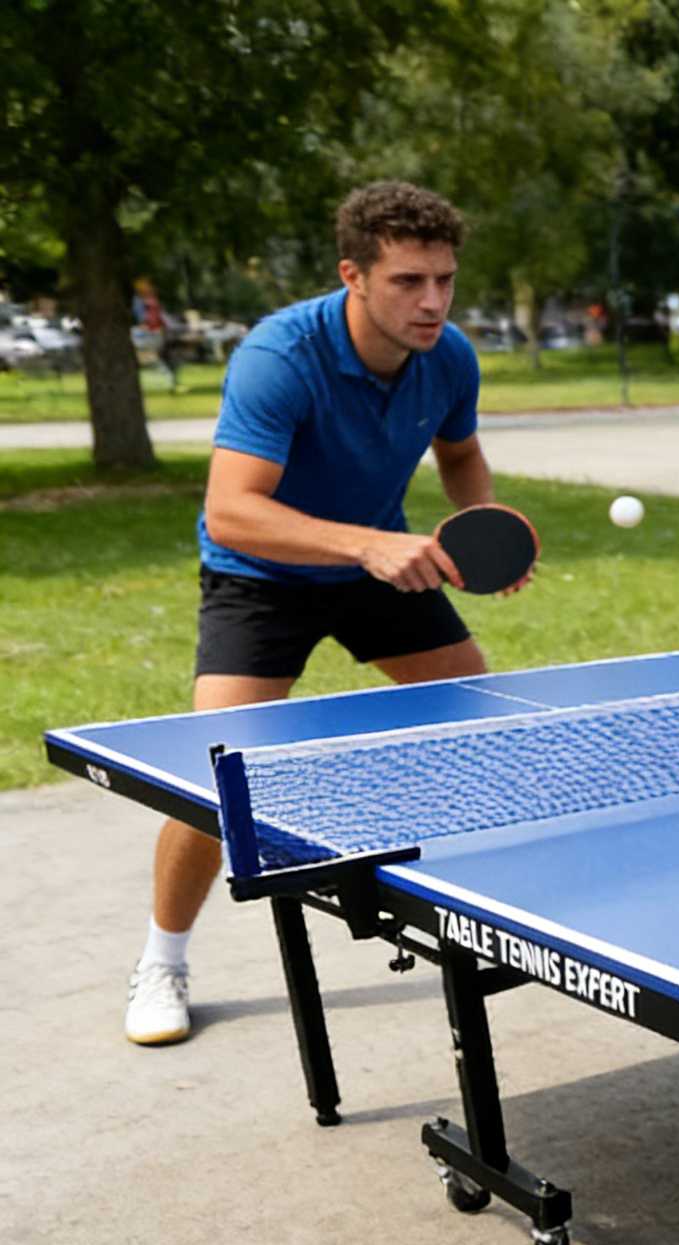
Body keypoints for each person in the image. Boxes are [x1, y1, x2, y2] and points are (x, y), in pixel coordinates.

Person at [123, 180, 518, 1048]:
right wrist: (368, 546)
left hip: (378, 561)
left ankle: (478, 902)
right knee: (211, 779)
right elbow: (231, 509)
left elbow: (460, 451)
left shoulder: (448, 356)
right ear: (354, 275)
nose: (433, 301)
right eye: (410, 281)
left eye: (445, 280)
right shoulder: (281, 356)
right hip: (259, 576)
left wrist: (477, 529)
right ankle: (163, 960)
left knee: (480, 718)